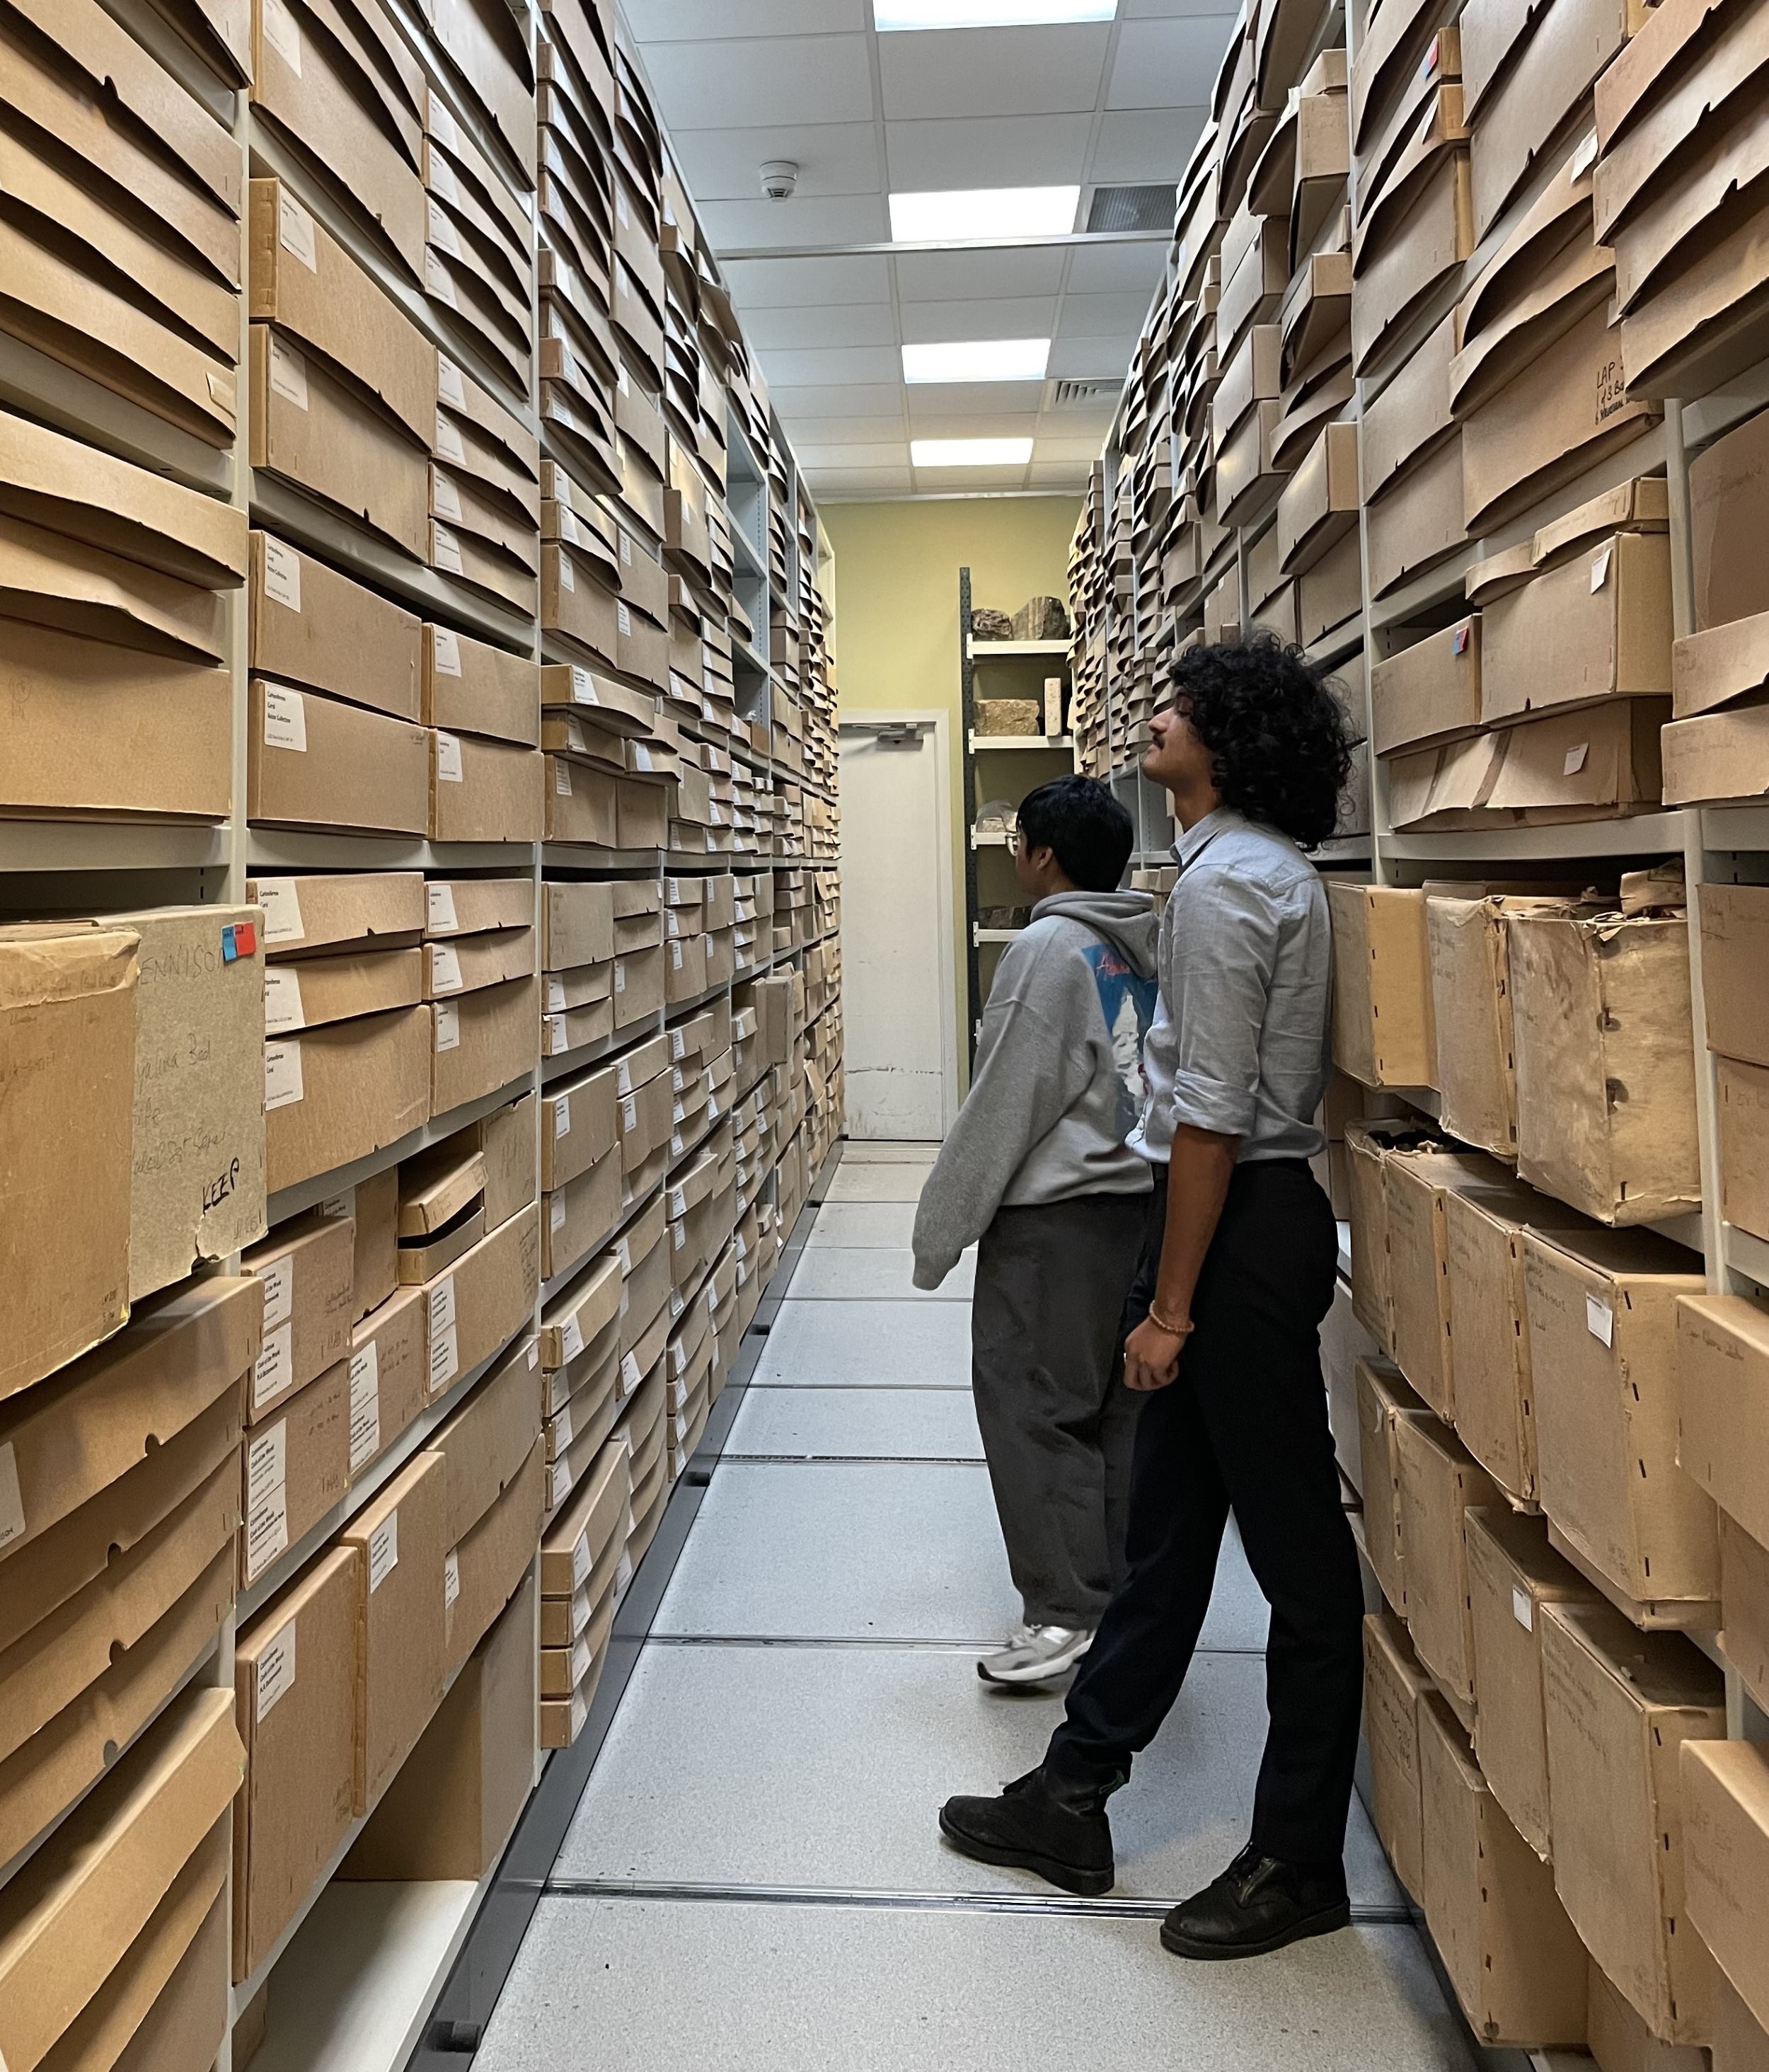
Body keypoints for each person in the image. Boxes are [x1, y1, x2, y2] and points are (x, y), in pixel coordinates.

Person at [938, 636, 1364, 1964]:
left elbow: (1211, 1118)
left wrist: (1171, 1308)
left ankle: (1299, 1860)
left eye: (1184, 703)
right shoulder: (1234, 869)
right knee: (1169, 1539)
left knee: (1301, 1565)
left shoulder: (1232, 884)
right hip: (1224, 1222)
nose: (1158, 712)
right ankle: (1073, 1794)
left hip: (1234, 1230)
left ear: (1229, 739)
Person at [912, 775, 1160, 1688]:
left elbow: (1006, 1102)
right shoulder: (1135, 942)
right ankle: (1118, 1604)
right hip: (1135, 1207)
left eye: (1018, 842)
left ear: (1043, 855)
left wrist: (940, 1231)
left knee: (1031, 1407)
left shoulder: (1047, 948)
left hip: (1056, 1223)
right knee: (1115, 1415)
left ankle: (1065, 1613)